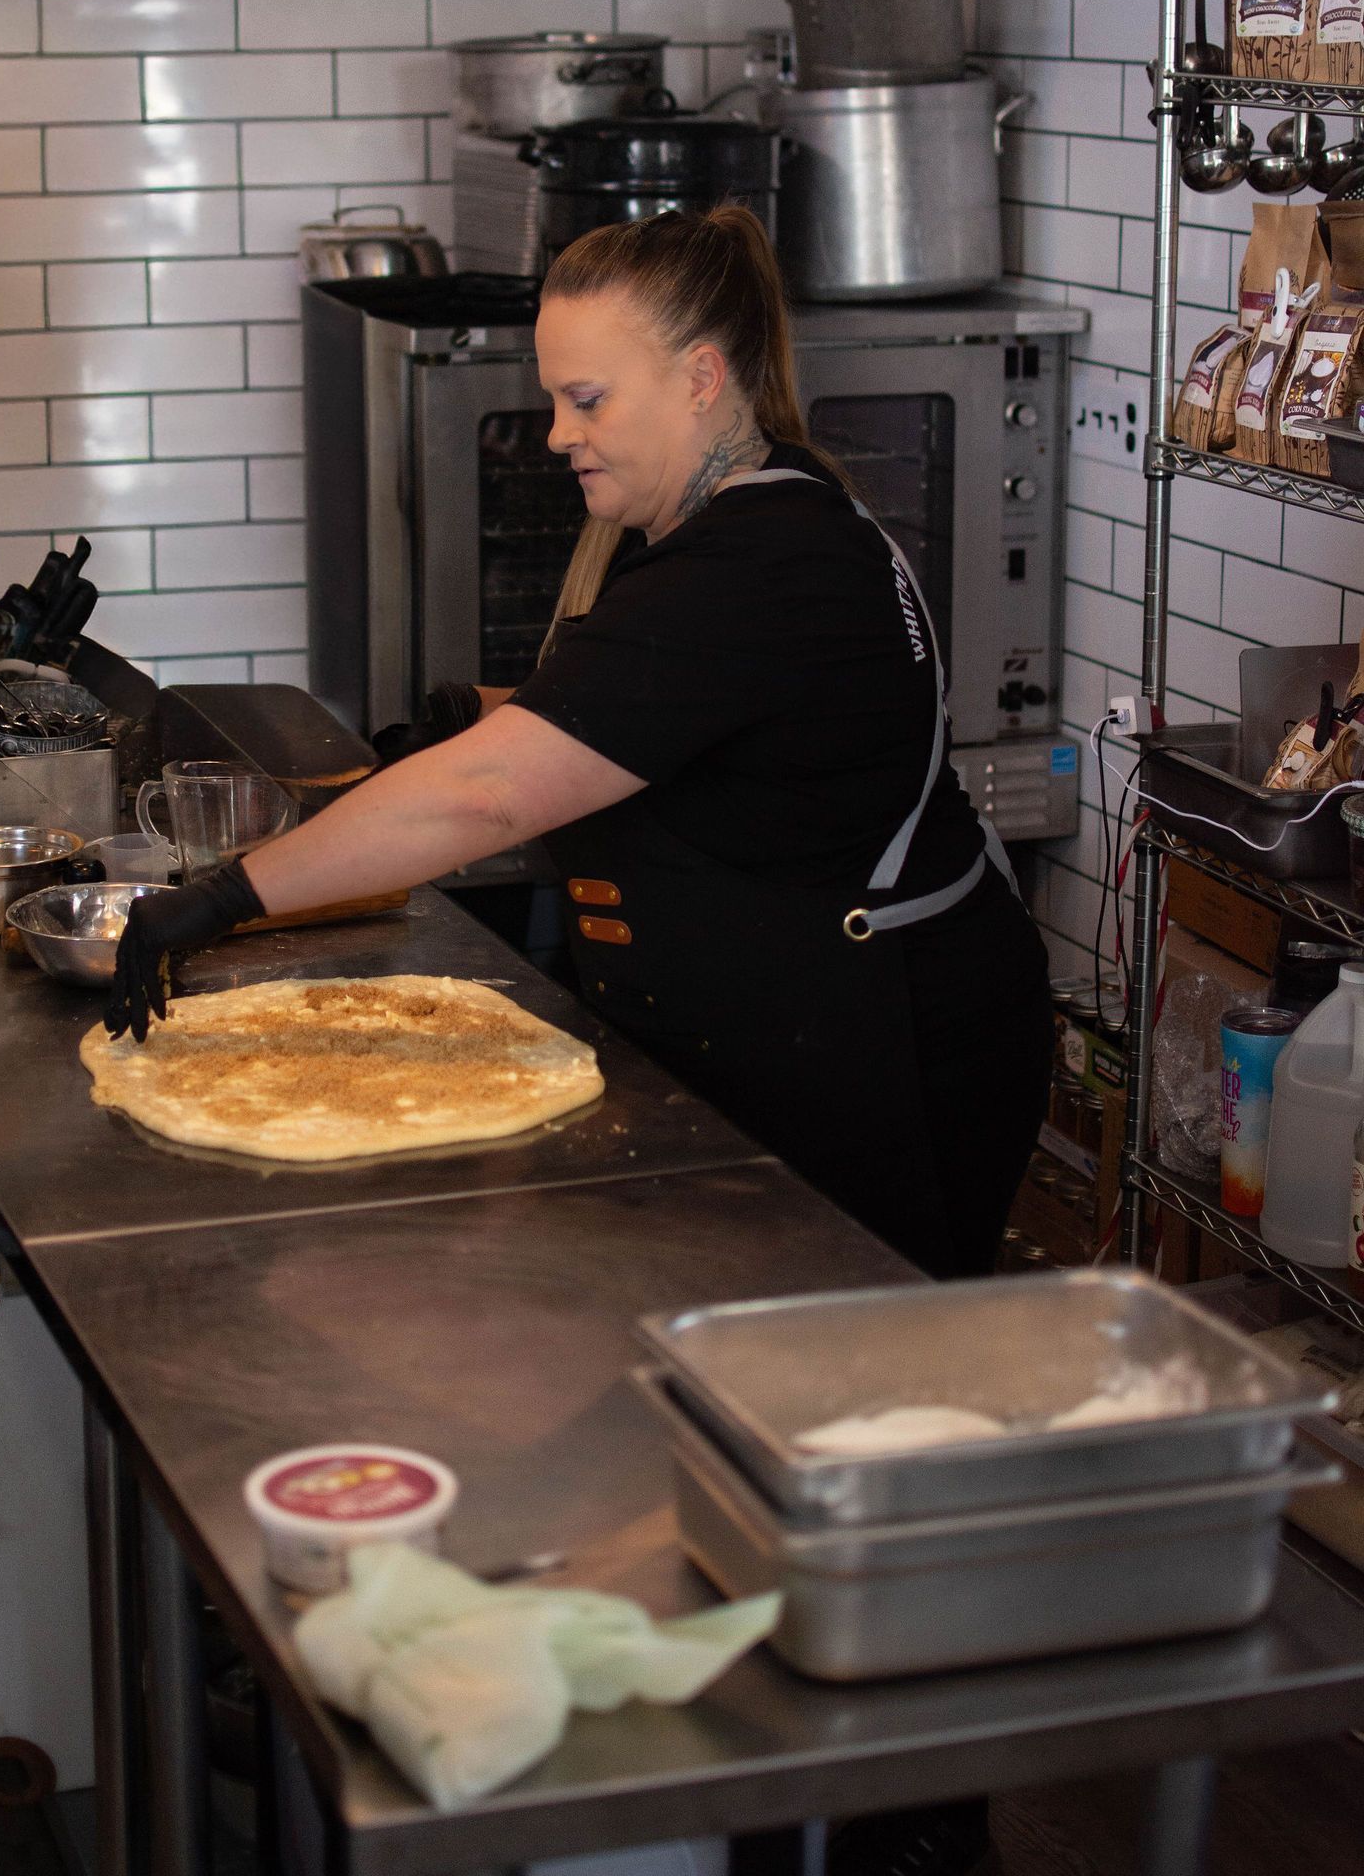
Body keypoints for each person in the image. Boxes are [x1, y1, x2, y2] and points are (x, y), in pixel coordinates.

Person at [108, 203, 1052, 1287]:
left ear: (699, 379)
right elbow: (708, 717)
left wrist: (228, 896)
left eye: (585, 399)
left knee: (866, 1361)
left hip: (884, 1050)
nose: (557, 431)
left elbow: (491, 798)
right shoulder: (769, 510)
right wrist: (480, 711)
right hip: (806, 1026)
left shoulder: (754, 567)